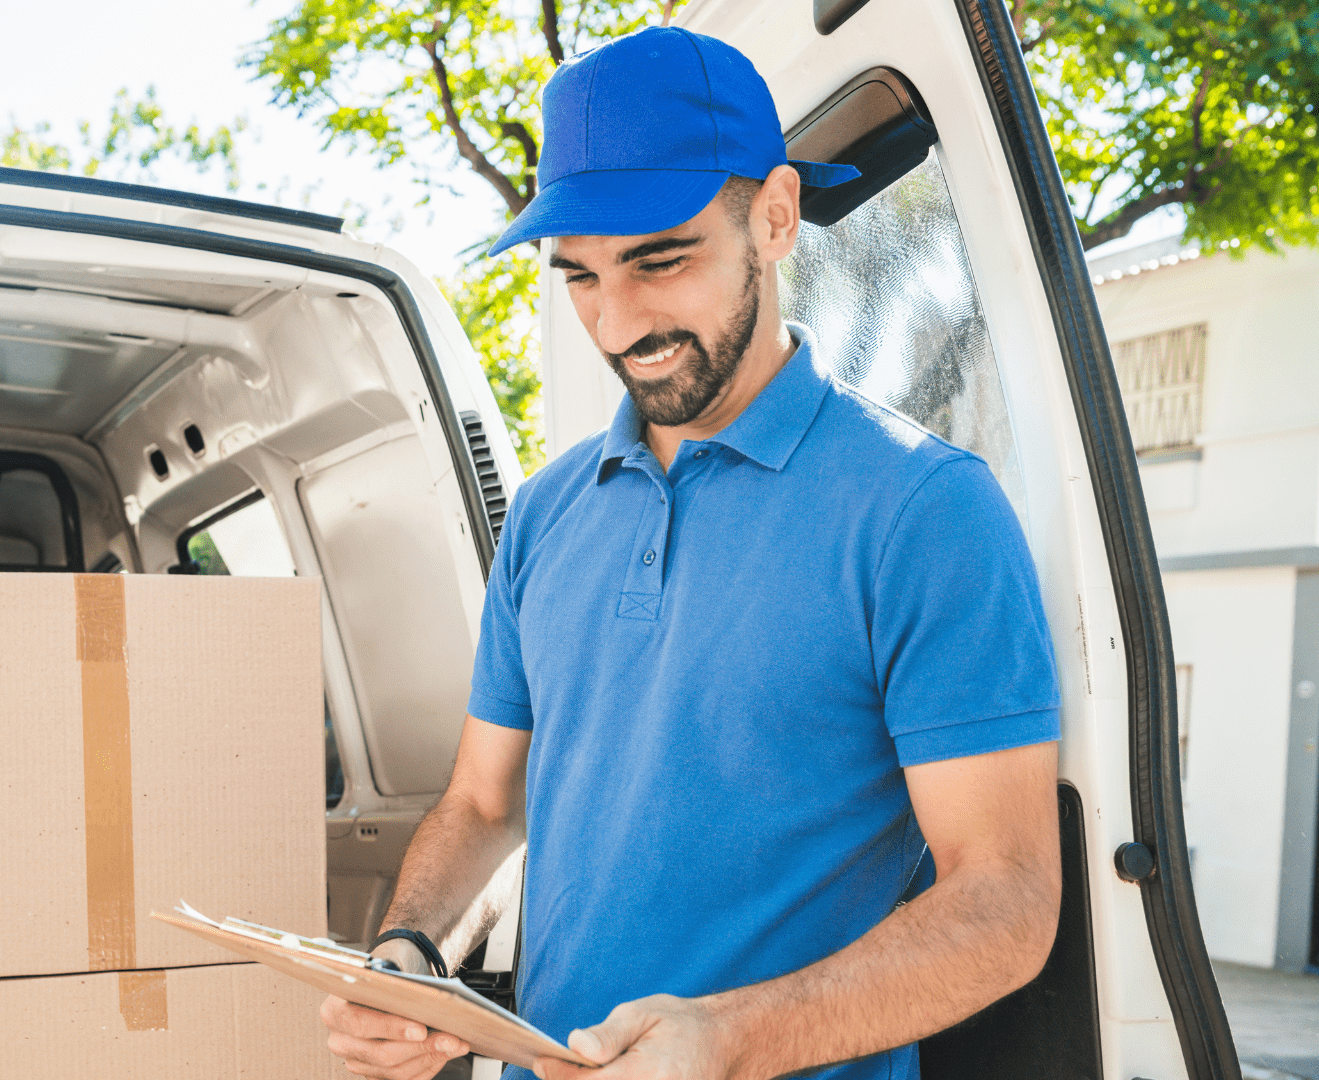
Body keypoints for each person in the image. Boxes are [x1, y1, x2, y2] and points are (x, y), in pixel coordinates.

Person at [319, 26, 1062, 1080]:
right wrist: (411, 949)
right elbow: (488, 807)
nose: (617, 323)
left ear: (774, 215)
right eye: (578, 276)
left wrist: (731, 1040)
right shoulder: (546, 514)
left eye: (659, 260)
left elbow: (1006, 903)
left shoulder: (922, 510)